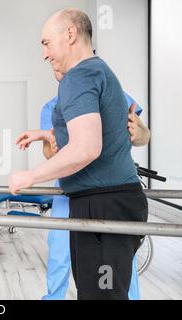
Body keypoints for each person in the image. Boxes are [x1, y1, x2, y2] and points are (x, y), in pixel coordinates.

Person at [9, 9, 148, 299]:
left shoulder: (79, 76)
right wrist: (48, 135)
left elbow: (87, 147)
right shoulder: (97, 71)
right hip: (107, 201)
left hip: (104, 204)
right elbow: (98, 135)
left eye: (46, 43)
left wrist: (30, 176)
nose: (45, 54)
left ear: (70, 34)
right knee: (99, 290)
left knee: (103, 294)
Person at [38, 71, 150, 300]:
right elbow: (48, 153)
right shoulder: (51, 108)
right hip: (68, 194)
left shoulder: (114, 95)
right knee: (60, 256)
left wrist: (139, 133)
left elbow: (143, 135)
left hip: (109, 192)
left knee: (119, 261)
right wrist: (53, 147)